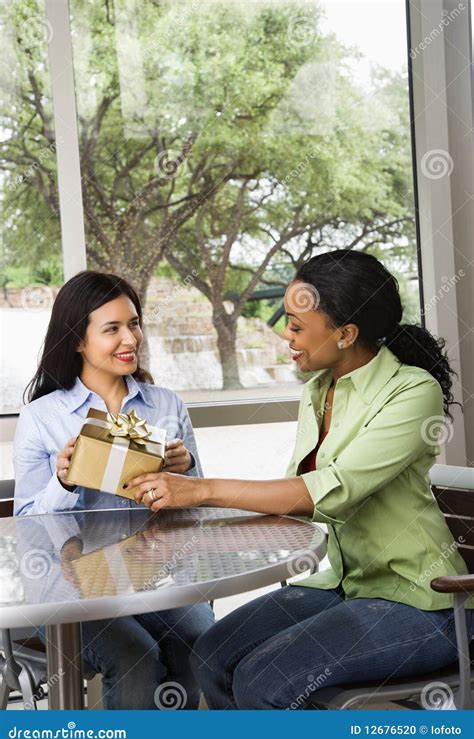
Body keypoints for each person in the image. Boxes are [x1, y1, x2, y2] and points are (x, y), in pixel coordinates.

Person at [125, 250, 473, 709]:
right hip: (347, 584)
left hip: (421, 601)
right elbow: (295, 495)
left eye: (296, 325)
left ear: (346, 334)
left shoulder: (412, 391)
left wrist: (201, 489)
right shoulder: (319, 390)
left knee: (262, 679)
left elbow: (330, 492)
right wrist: (201, 525)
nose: (284, 335)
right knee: (208, 656)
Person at [13, 270, 214, 709]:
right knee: (135, 657)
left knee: (198, 638)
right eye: (112, 329)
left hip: (155, 573)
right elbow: (24, 524)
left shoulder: (167, 404)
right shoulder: (43, 417)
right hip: (69, 587)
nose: (131, 338)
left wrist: (186, 473)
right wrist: (64, 481)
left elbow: (200, 504)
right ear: (78, 341)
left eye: (134, 323)